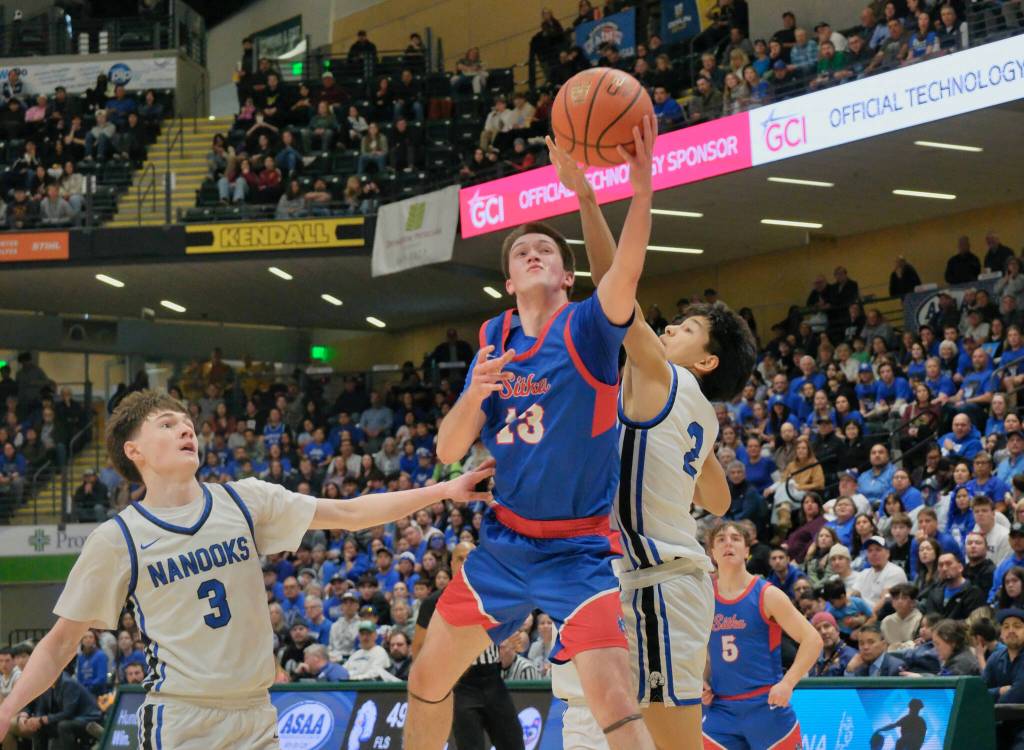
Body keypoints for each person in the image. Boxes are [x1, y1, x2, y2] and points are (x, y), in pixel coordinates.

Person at [0, 390, 494, 748]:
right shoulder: (117, 539)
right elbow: (60, 643)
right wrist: (7, 711)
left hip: (256, 713)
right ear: (134, 451)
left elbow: (349, 514)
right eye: (167, 425)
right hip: (182, 718)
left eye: (187, 423)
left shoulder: (245, 500)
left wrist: (445, 490)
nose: (186, 429)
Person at [405, 119, 660, 750]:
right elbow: (447, 450)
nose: (533, 255)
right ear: (509, 282)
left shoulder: (588, 327)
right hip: (504, 546)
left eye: (546, 251)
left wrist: (638, 186)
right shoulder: (492, 343)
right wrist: (474, 393)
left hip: (578, 550)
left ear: (567, 277)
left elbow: (626, 270)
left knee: (616, 703)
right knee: (426, 679)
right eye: (522, 254)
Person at [548, 123, 756, 748]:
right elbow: (719, 499)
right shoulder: (702, 415)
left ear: (707, 361)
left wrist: (587, 197)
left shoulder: (663, 376)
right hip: (643, 580)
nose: (669, 329)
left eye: (687, 329)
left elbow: (616, 287)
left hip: (654, 584)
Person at [701, 521, 821, 750]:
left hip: (766, 707)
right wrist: (701, 680)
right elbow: (706, 651)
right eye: (721, 540)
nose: (728, 543)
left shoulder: (767, 594)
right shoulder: (704, 597)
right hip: (720, 711)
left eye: (736, 539)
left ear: (747, 550)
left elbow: (812, 640)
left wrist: (788, 683)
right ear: (712, 553)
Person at [414, 542, 523, 750]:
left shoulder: (494, 596)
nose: (465, 563)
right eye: (460, 559)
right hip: (458, 685)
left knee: (514, 742)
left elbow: (510, 630)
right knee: (470, 746)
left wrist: (514, 638)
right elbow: (418, 647)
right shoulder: (433, 603)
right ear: (451, 564)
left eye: (470, 558)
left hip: (493, 679)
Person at [809, 611, 857, 676]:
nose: (823, 632)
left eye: (827, 626)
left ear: (837, 630)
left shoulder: (851, 656)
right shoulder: (814, 660)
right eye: (818, 629)